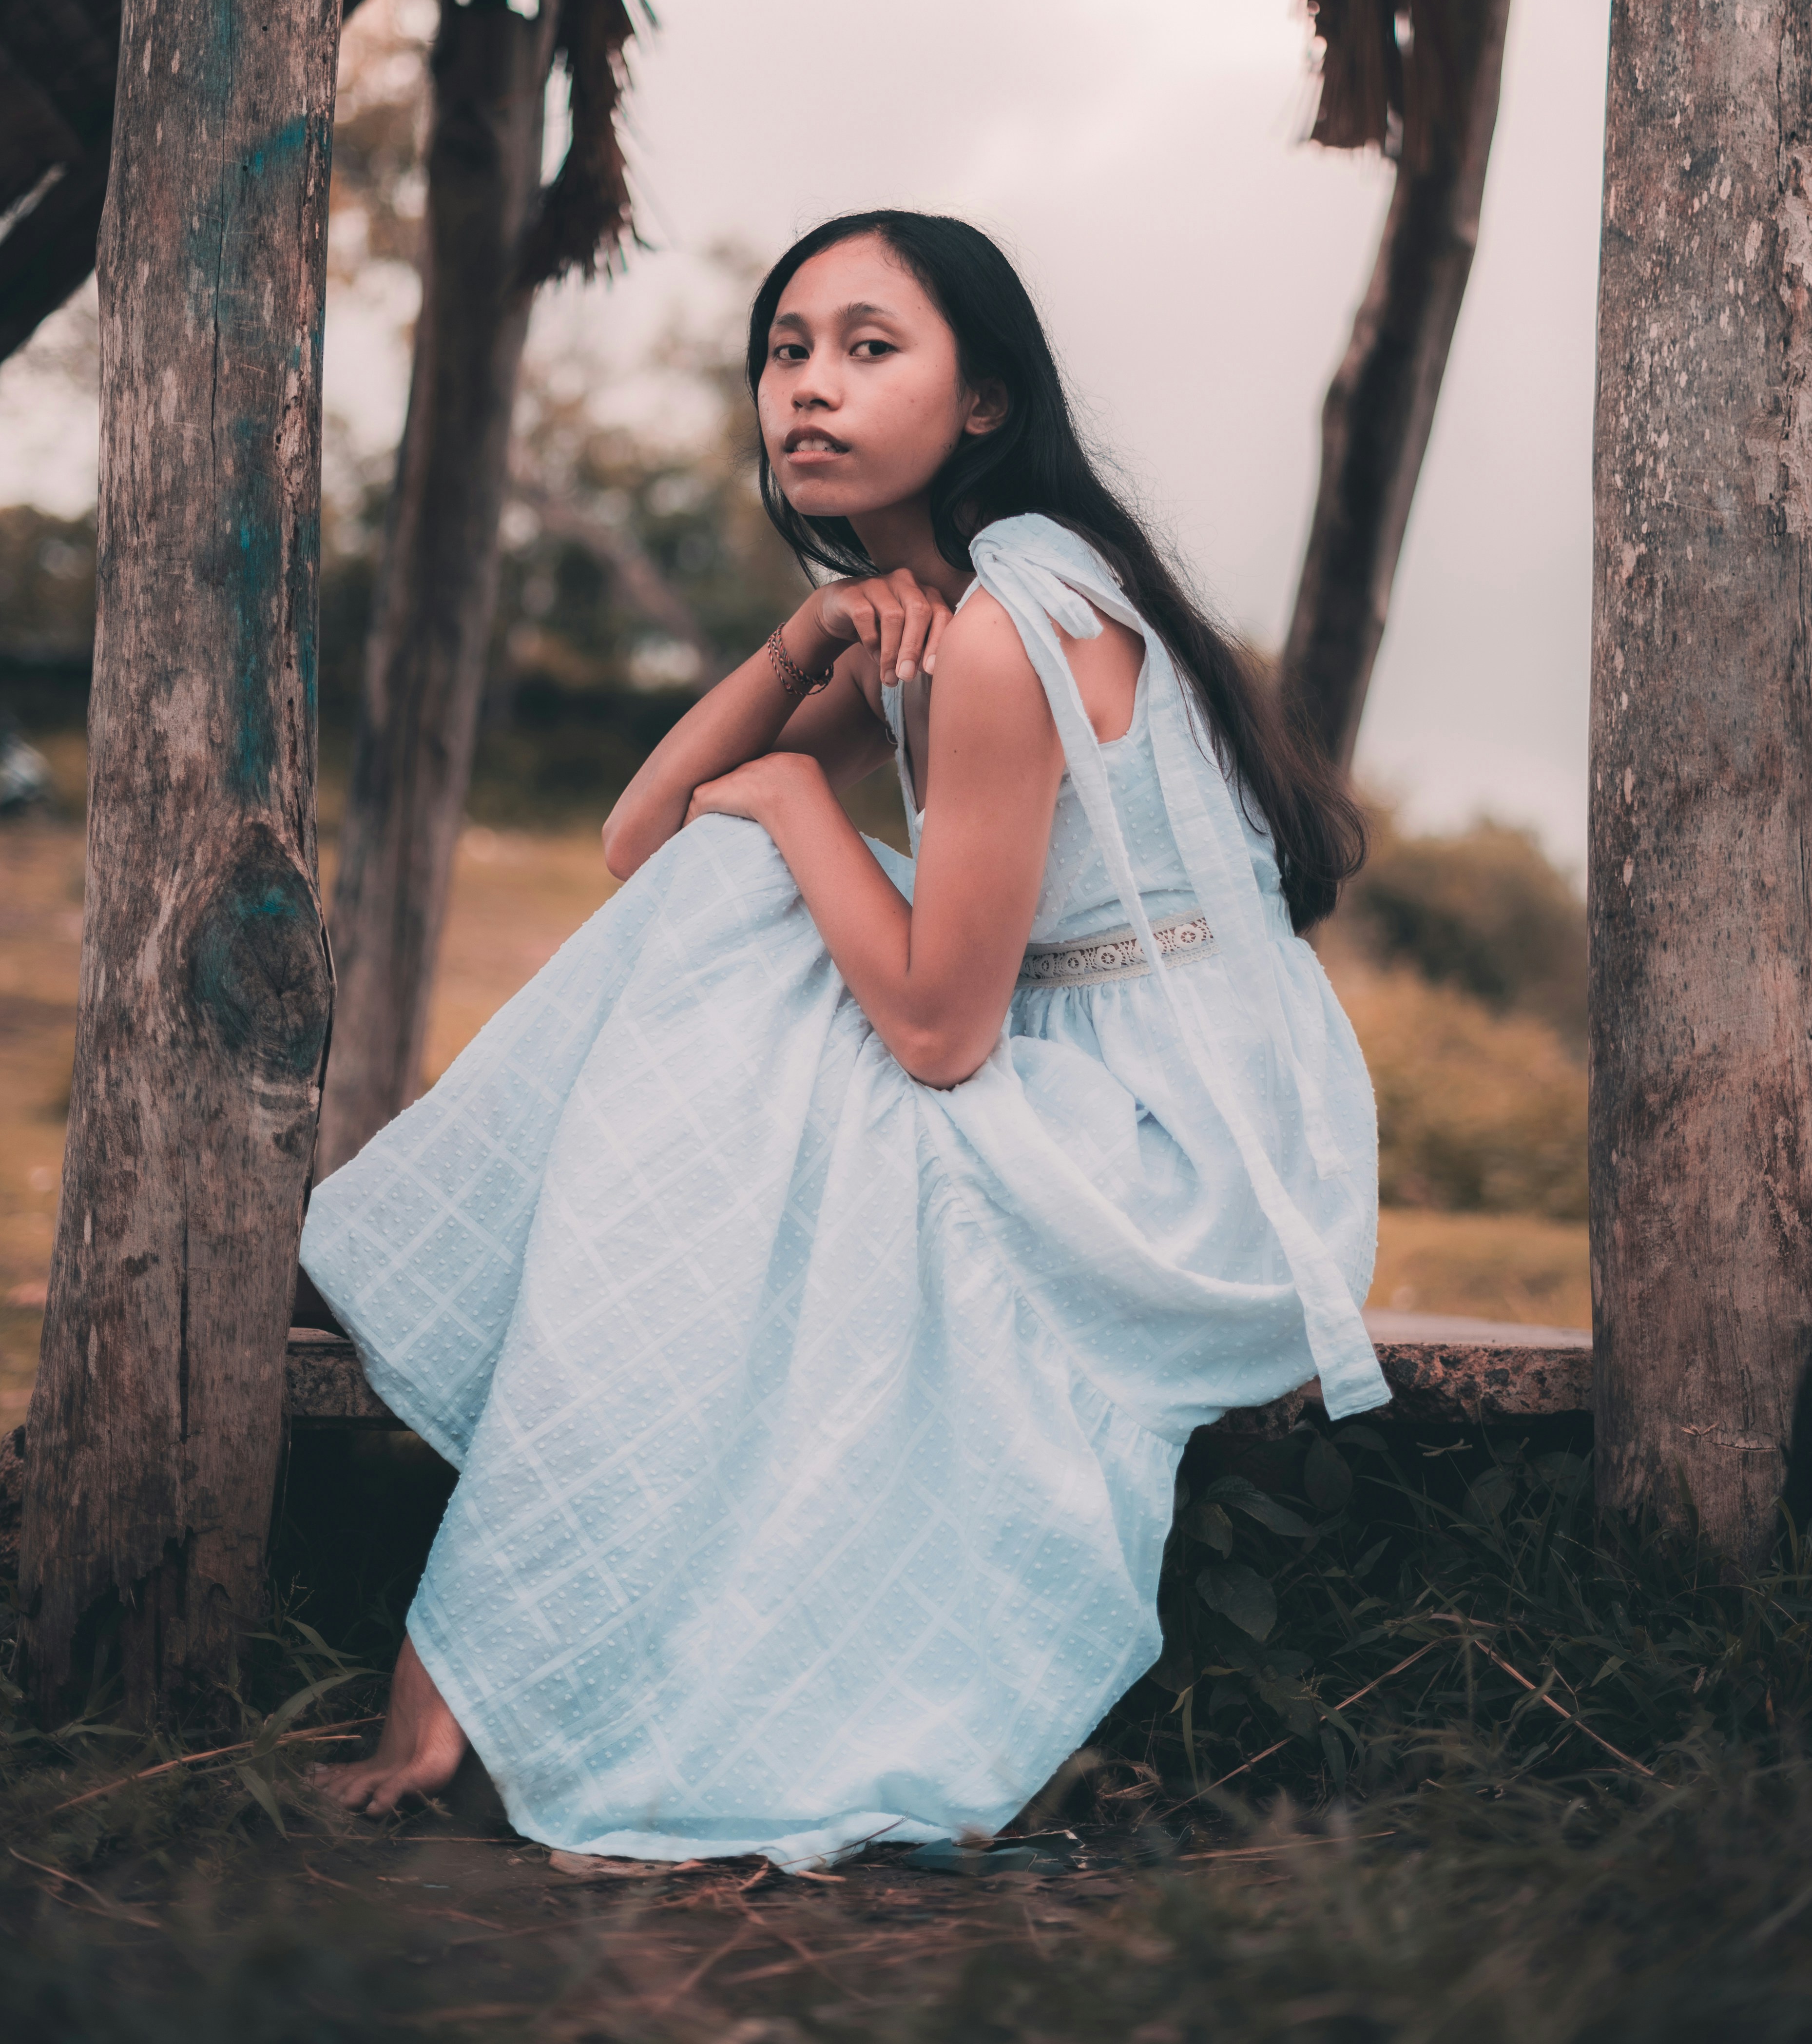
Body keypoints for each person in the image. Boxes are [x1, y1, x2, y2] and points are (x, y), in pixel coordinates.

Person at [303, 210, 1386, 1865]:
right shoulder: (920, 613)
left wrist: (799, 792)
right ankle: (492, 1633)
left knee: (757, 933)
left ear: (984, 404)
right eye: (787, 348)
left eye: (870, 348)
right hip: (1088, 1072)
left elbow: (942, 1032)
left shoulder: (1007, 634)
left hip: (1182, 1162)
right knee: (734, 925)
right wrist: (798, 648)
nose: (808, 388)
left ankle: (486, 1646)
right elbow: (639, 843)